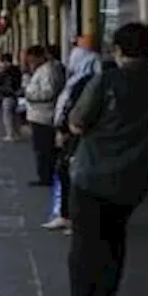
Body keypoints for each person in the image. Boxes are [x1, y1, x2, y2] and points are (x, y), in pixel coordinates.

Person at [61, 23, 148, 296]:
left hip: (92, 177)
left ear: (118, 49)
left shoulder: (106, 80)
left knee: (85, 245)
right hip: (134, 180)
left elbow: (77, 123)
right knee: (115, 240)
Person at [45, 39, 102, 231]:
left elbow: (76, 110)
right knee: (66, 173)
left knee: (70, 174)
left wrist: (64, 130)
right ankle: (67, 215)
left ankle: (74, 217)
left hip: (76, 136)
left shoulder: (86, 83)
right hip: (77, 135)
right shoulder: (83, 79)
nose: (71, 61)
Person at [24, 45, 65, 187]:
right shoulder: (46, 69)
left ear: (39, 56)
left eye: (32, 58)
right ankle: (46, 176)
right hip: (40, 115)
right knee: (43, 148)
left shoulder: (47, 70)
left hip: (43, 116)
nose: (30, 61)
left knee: (43, 149)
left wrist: (29, 95)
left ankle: (45, 178)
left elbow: (48, 92)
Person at [0, 53, 23, 141]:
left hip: (7, 96)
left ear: (5, 61)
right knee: (16, 116)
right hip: (16, 96)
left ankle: (10, 135)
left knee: (7, 116)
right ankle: (18, 134)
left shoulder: (6, 72)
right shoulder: (17, 70)